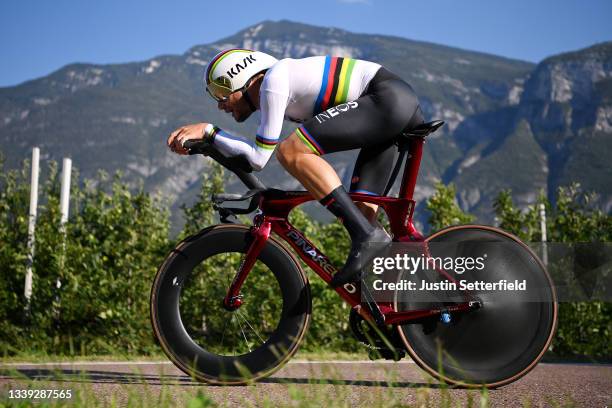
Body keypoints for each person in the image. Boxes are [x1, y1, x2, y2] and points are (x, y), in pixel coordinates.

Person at [167, 48, 424, 287]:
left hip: (387, 99)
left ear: (242, 78)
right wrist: (212, 144)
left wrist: (209, 131)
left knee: (291, 151)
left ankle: (368, 238)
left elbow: (258, 159)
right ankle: (397, 303)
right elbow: (249, 160)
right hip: (392, 104)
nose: (220, 104)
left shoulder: (273, 81)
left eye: (221, 92)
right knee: (363, 217)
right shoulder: (283, 88)